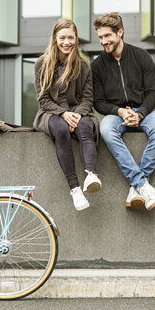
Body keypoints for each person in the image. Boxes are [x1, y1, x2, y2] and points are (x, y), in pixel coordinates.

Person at [91, 12, 155, 211]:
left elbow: (154, 92)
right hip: (116, 115)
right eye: (100, 37)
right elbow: (98, 102)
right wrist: (119, 112)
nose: (103, 41)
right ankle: (142, 184)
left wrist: (140, 113)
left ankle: (136, 188)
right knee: (106, 130)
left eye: (107, 35)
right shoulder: (97, 66)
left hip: (146, 111)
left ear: (120, 32)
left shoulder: (141, 56)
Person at [33, 18, 101, 211]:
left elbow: (88, 99)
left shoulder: (84, 66)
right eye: (62, 37)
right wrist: (64, 114)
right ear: (55, 38)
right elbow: (43, 100)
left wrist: (76, 115)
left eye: (71, 37)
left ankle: (91, 174)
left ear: (76, 39)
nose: (66, 42)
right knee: (61, 130)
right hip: (51, 113)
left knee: (87, 126)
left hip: (79, 112)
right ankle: (75, 189)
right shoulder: (41, 64)